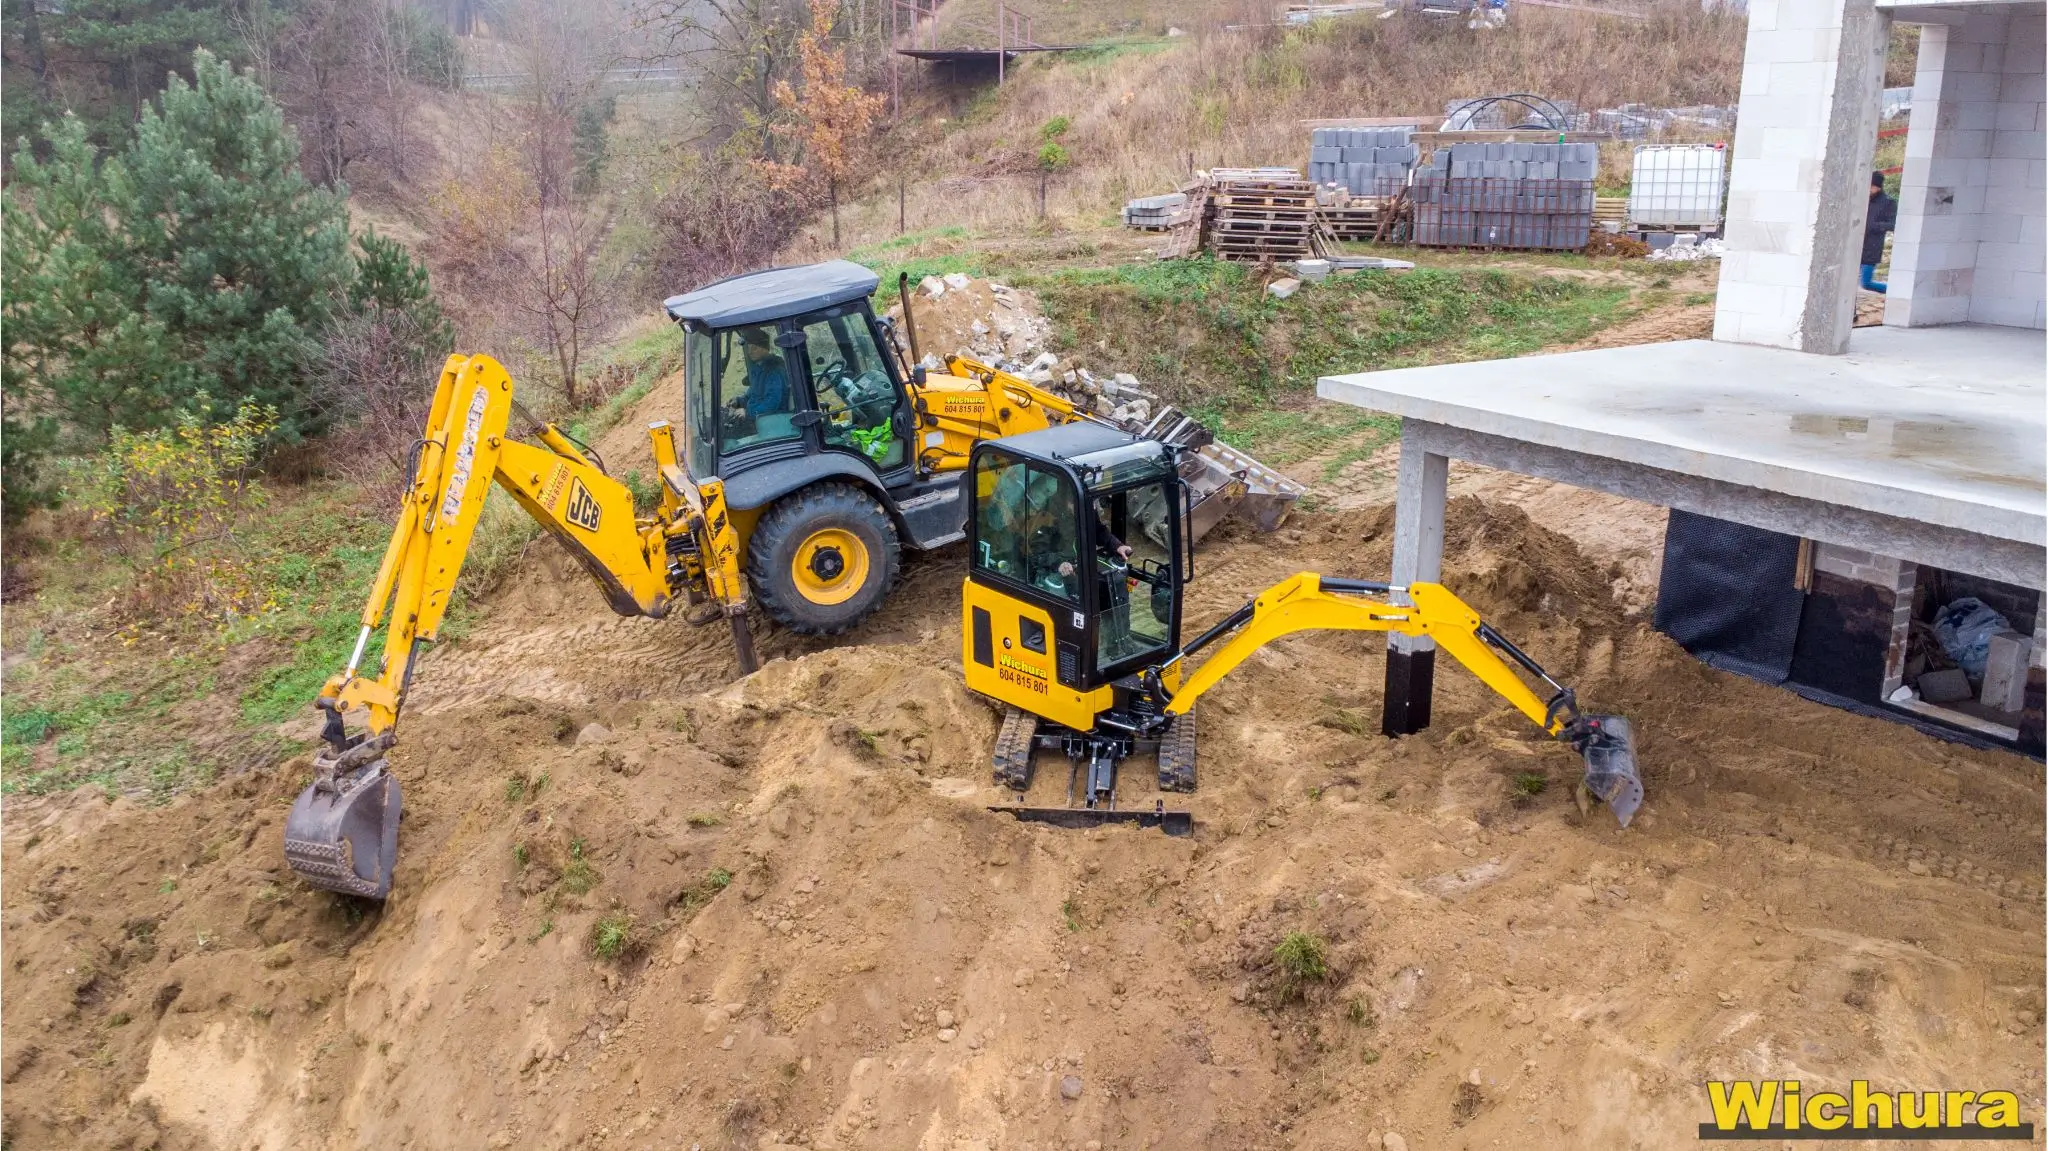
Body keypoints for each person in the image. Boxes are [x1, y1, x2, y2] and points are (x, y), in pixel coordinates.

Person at [729, 327, 789, 424]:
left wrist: (748, 413)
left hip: (772, 421)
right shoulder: (759, 369)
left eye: (754, 348)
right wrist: (739, 401)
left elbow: (772, 403)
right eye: (748, 347)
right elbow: (752, 395)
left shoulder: (774, 371)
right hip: (759, 418)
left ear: (764, 349)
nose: (750, 351)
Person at [1861, 170, 1896, 294]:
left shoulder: (1888, 202)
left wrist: (1873, 226)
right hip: (1856, 245)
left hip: (1872, 247)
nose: (1869, 189)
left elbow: (1893, 224)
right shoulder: (1863, 198)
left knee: (1866, 283)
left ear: (1878, 187)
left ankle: (1895, 292)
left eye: (1871, 186)